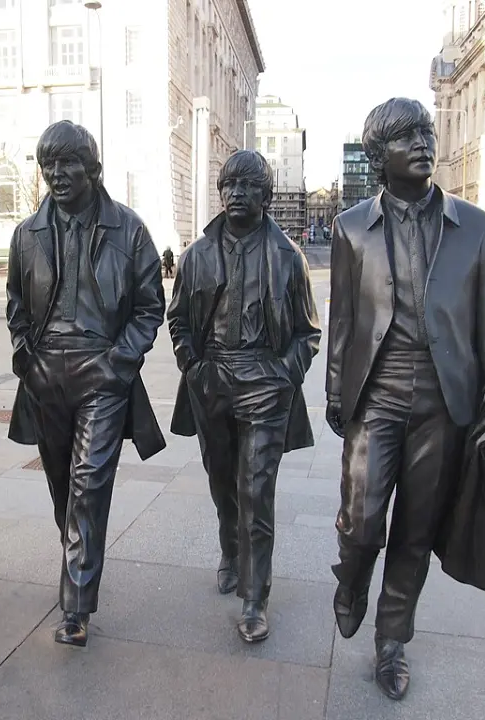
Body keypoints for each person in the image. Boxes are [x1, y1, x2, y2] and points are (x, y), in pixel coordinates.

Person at [325, 98, 485, 700]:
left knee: (416, 529)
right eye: (407, 136)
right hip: (375, 395)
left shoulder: (477, 230)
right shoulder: (353, 227)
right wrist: (335, 392)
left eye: (426, 132)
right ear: (379, 156)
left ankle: (391, 640)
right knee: (360, 523)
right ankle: (352, 580)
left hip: (444, 403)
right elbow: (344, 322)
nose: (424, 142)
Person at [5, 120, 166, 647]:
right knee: (62, 486)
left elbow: (149, 307)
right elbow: (14, 302)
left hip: (102, 371)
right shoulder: (26, 233)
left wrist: (119, 362)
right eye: (48, 164)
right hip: (46, 373)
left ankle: (76, 606)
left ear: (93, 170)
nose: (57, 174)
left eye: (68, 163)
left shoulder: (130, 230)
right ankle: (79, 557)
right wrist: (25, 353)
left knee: (88, 484)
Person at [167, 150, 321, 643]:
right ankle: (231, 549)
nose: (237, 194)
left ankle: (255, 596)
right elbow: (177, 320)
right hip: (211, 379)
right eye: (230, 185)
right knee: (222, 482)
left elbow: (308, 332)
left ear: (266, 197)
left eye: (249, 187)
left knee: (256, 490)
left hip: (265, 381)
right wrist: (192, 364)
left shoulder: (286, 258)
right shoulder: (196, 255)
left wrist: (282, 374)